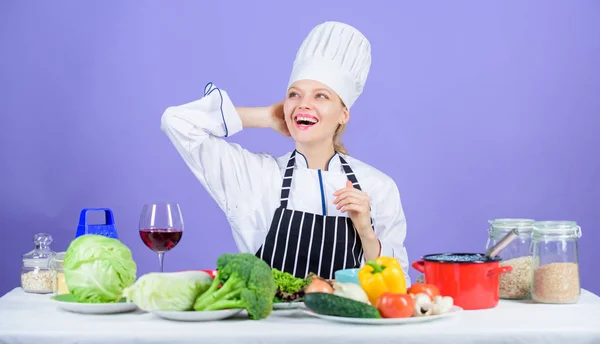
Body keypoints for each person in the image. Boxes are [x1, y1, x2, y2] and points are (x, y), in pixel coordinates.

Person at [161, 21, 410, 284]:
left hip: (346, 323)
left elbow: (399, 284)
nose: (304, 105)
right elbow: (176, 121)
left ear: (344, 114)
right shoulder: (254, 176)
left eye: (320, 96)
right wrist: (266, 117)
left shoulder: (378, 187)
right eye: (294, 95)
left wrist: (365, 230)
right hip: (269, 324)